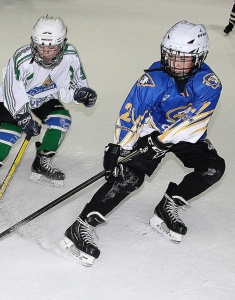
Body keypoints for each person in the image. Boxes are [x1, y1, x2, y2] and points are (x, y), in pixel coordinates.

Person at [59, 20, 225, 267]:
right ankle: (81, 226)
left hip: (185, 134)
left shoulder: (209, 83)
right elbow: (131, 112)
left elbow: (194, 122)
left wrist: (161, 142)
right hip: (151, 129)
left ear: (199, 58)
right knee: (128, 178)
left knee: (213, 168)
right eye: (171, 57)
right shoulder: (152, 80)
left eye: (184, 59)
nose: (175, 64)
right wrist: (119, 147)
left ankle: (168, 205)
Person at [0, 15, 97, 197]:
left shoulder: (70, 55)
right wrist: (23, 117)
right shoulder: (21, 59)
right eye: (41, 46)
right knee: (12, 131)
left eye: (52, 47)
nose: (46, 52)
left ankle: (42, 161)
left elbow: (76, 82)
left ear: (62, 44)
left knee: (61, 120)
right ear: (33, 43)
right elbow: (12, 89)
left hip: (45, 96)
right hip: (16, 98)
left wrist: (81, 94)